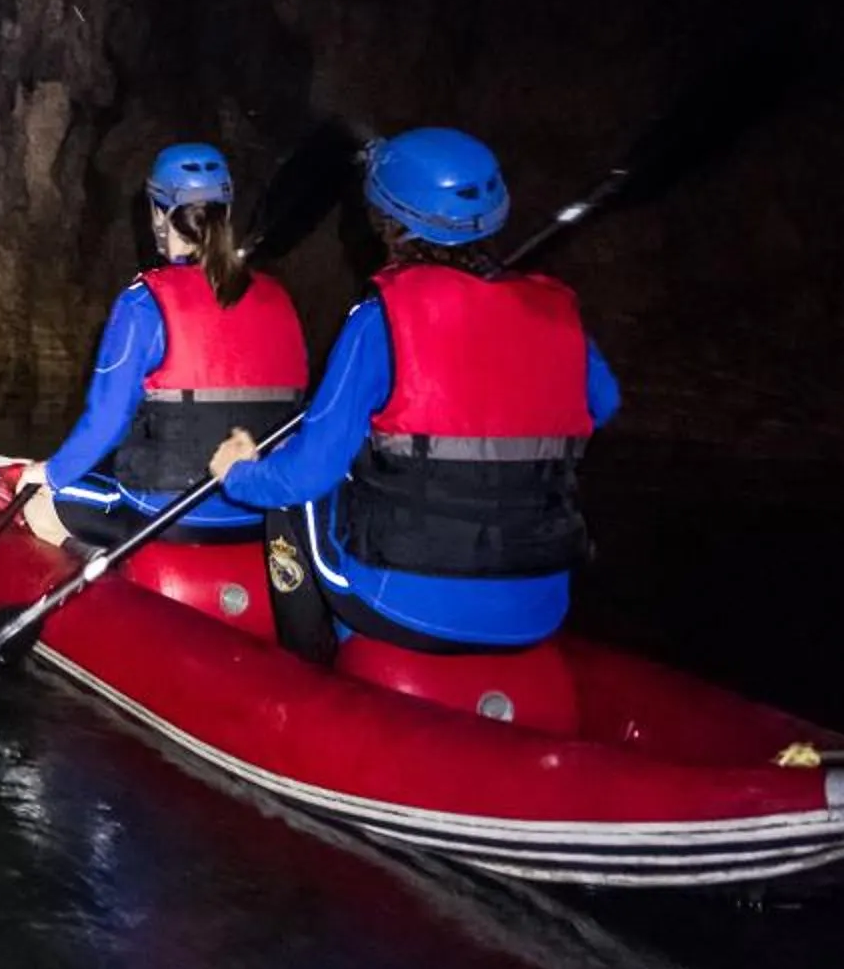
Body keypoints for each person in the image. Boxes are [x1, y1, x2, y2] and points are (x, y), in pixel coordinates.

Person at [208, 128, 620, 652]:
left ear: (388, 221)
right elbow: (602, 404)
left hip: (406, 605)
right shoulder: (558, 316)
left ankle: (306, 669)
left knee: (292, 493)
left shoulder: (380, 320)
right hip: (543, 605)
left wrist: (237, 474)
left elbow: (306, 475)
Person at [13, 143, 312, 551]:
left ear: (158, 214)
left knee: (35, 500)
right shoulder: (281, 299)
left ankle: (99, 580)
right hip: (261, 514)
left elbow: (108, 420)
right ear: (226, 212)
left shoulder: (142, 303)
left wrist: (49, 475)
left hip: (166, 517)